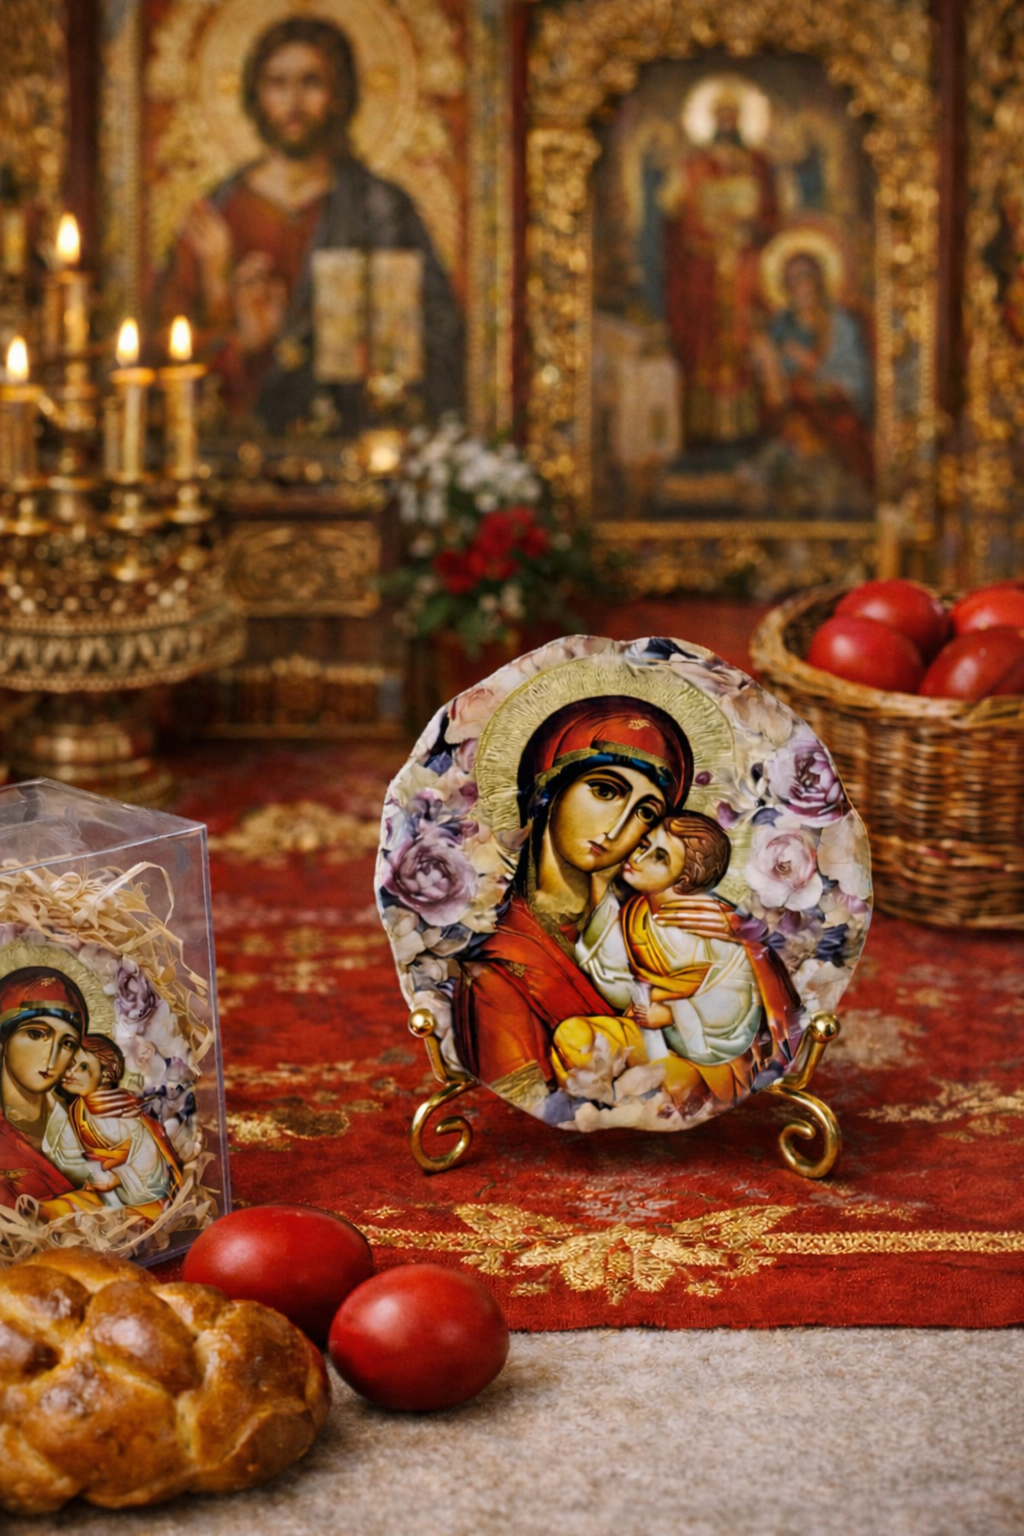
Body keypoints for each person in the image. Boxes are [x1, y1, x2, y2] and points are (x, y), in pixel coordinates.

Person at [159, 15, 463, 430]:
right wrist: (222, 304)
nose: (294, 103)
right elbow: (163, 357)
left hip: (357, 441)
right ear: (255, 92)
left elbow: (440, 341)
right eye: (277, 83)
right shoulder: (215, 217)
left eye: (311, 82)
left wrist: (374, 350)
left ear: (339, 94)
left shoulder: (381, 208)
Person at [451, 697, 692, 1110]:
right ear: (550, 789)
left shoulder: (659, 933)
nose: (620, 828)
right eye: (605, 790)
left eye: (646, 813)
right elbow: (546, 1106)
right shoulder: (495, 971)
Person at [568, 811, 801, 1111]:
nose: (638, 858)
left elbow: (734, 1014)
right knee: (570, 1037)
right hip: (646, 1034)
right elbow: (613, 988)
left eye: (660, 857)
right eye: (643, 845)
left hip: (712, 1059)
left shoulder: (712, 922)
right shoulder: (632, 914)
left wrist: (672, 1014)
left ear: (685, 877)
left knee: (665, 1092)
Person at [662, 85, 778, 444]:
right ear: (712, 122)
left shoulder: (758, 166)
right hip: (705, 272)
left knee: (745, 337)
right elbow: (674, 219)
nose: (727, 123)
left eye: (733, 117)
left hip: (745, 268)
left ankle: (748, 427)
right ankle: (703, 429)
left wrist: (751, 230)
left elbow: (773, 216)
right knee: (705, 342)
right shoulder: (692, 168)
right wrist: (702, 235)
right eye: (720, 117)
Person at [0, 967, 133, 1220]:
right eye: (36, 1034)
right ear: (3, 1039)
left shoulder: (89, 1128)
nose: (52, 1057)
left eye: (67, 1043)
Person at [752, 248, 873, 484]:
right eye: (792, 279)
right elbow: (771, 386)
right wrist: (767, 360)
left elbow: (856, 379)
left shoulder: (840, 324)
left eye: (805, 276)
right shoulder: (779, 326)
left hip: (834, 407)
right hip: (793, 409)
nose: (800, 285)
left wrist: (810, 365)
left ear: (818, 280)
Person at [43, 1035, 182, 1224]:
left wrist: (118, 1178)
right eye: (68, 1066)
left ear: (106, 1072)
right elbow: (66, 1156)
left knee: (104, 1219)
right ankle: (39, 1213)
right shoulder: (78, 1108)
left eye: (81, 1066)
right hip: (104, 1192)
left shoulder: (124, 1111)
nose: (69, 1073)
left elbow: (149, 1161)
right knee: (69, 1203)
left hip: (142, 1196)